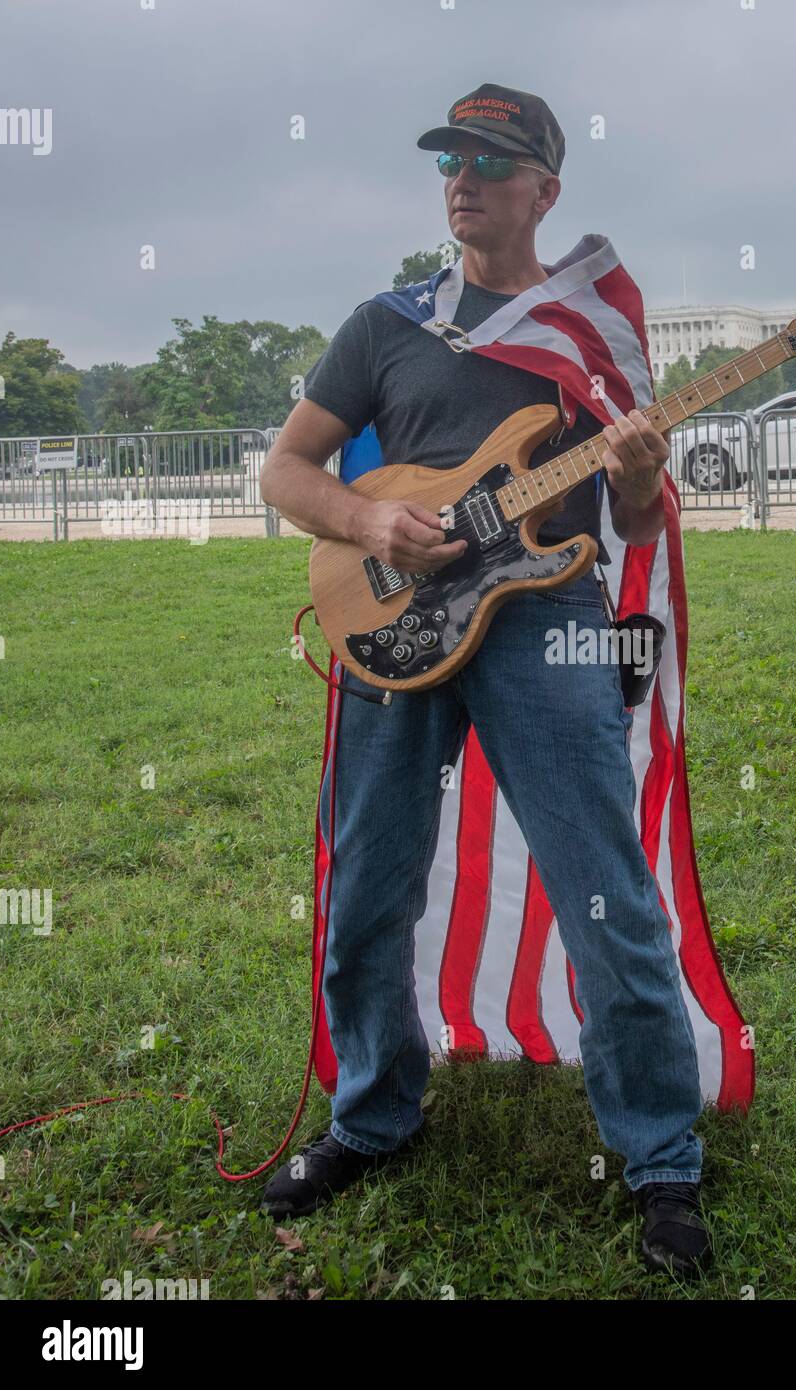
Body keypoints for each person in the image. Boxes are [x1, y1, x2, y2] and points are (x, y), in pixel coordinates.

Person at [258, 84, 712, 1278]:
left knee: (606, 887)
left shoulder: (587, 337)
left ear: (545, 191)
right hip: (395, 625)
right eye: (451, 159)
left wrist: (638, 473)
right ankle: (371, 1115)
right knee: (367, 888)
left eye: (492, 162)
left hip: (544, 622)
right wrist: (367, 518)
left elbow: (626, 517)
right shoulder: (386, 322)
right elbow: (287, 470)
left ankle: (661, 1160)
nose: (463, 179)